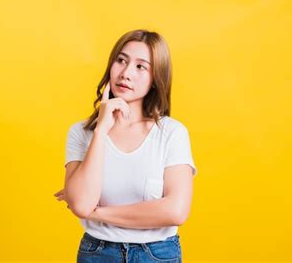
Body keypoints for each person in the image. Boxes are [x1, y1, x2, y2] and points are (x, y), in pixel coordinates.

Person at [53, 29, 197, 262]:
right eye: (121, 60)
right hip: (97, 253)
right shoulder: (81, 133)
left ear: (155, 79)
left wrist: (96, 213)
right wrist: (100, 131)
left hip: (157, 254)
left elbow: (176, 211)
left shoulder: (171, 133)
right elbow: (81, 203)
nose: (126, 73)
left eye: (141, 67)